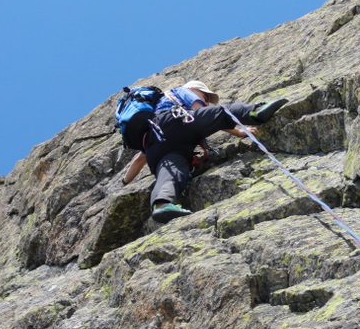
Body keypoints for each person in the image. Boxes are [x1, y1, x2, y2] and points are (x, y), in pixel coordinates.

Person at [121, 80, 288, 223]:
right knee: (225, 110)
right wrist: (238, 132)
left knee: (172, 172)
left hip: (154, 146)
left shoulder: (151, 123)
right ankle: (255, 111)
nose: (207, 102)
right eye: (205, 97)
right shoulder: (183, 91)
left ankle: (162, 205)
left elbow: (138, 161)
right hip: (175, 123)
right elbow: (202, 115)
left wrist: (124, 183)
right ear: (193, 90)